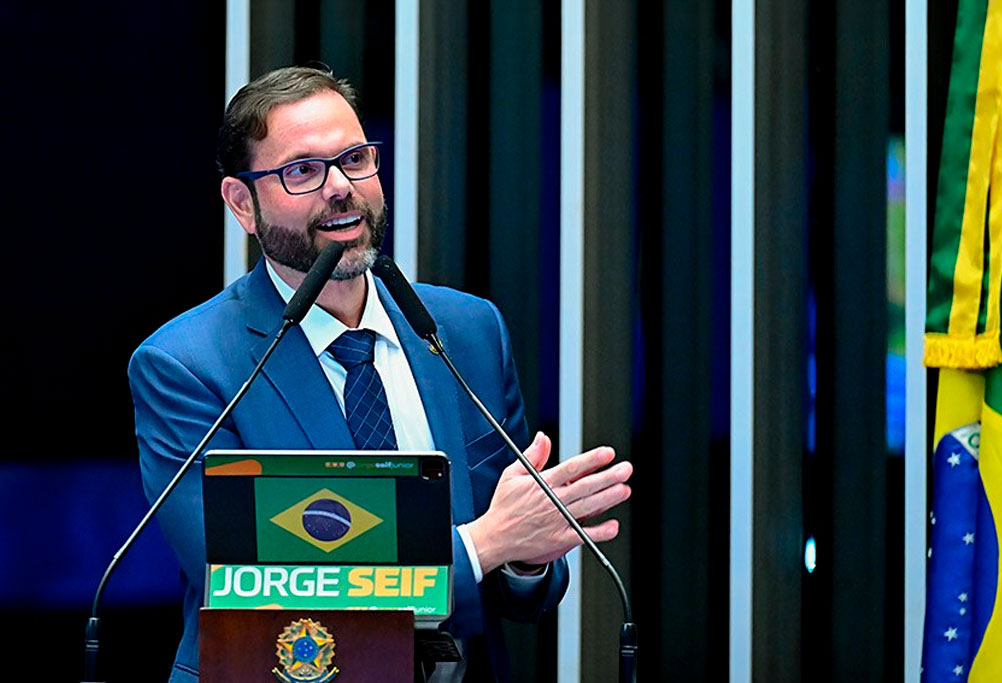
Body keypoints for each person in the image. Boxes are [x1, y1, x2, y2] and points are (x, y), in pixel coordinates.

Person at [129, 66, 633, 682]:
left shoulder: (466, 330)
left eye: (355, 158)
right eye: (302, 171)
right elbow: (246, 581)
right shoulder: (186, 364)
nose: (341, 188)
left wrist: (527, 558)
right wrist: (484, 546)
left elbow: (518, 584)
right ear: (243, 204)